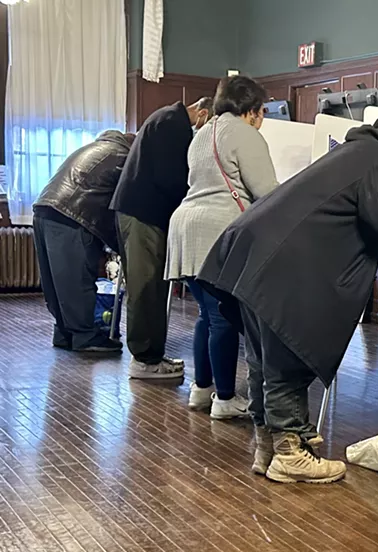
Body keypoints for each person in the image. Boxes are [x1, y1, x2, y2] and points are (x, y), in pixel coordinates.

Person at [198, 116, 378, 484]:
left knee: (264, 359)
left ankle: (268, 447)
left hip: (249, 252)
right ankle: (290, 453)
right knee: (287, 356)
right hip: (284, 266)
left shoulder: (350, 152)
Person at [165, 76, 278, 418]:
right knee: (223, 318)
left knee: (208, 315)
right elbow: (267, 192)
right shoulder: (245, 134)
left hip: (185, 226)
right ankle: (226, 399)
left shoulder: (202, 134)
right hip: (216, 231)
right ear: (253, 110)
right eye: (262, 111)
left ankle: (202, 390)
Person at [111, 97, 212, 380]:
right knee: (145, 289)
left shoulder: (166, 117)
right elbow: (173, 179)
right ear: (203, 114)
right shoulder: (173, 124)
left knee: (152, 287)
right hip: (143, 214)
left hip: (140, 212)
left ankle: (152, 355)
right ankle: (144, 360)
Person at [32, 130, 136, 353]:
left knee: (56, 281)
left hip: (44, 208)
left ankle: (64, 332)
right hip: (72, 214)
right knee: (76, 278)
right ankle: (85, 337)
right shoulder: (123, 157)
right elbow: (123, 206)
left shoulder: (95, 149)